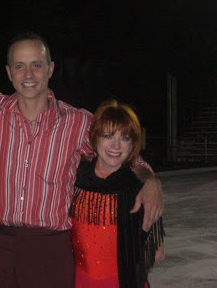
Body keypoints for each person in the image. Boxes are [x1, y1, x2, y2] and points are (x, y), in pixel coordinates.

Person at [0, 33, 163, 287]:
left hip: (50, 249)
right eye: (20, 66)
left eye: (36, 65)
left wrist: (150, 180)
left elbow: (124, 153)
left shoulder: (76, 122)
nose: (28, 75)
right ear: (9, 72)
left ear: (50, 69)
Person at [70, 100, 165, 288]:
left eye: (125, 138)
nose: (116, 146)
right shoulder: (73, 179)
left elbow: (156, 253)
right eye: (108, 136)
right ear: (94, 138)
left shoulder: (139, 186)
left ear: (133, 145)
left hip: (123, 282)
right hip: (79, 281)